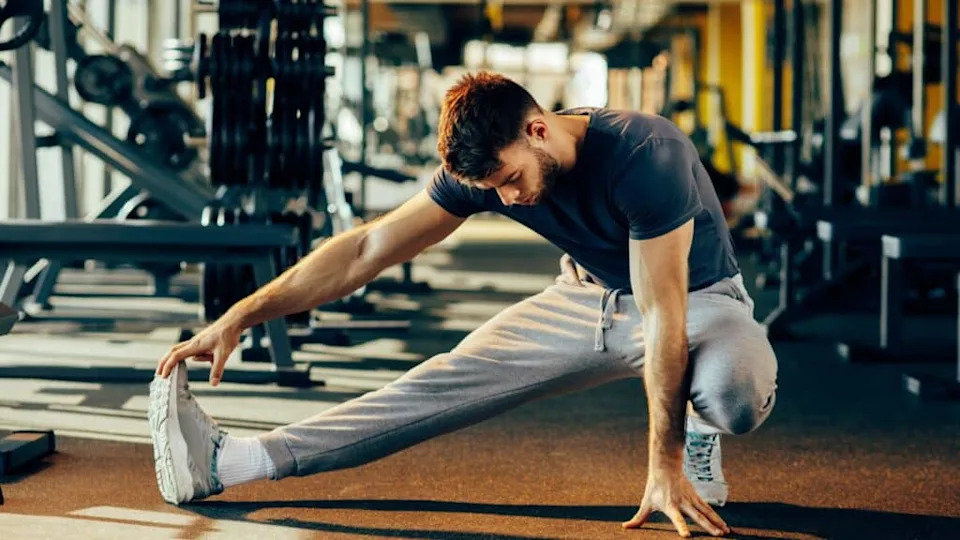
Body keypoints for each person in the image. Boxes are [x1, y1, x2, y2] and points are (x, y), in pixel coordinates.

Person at [151, 72, 778, 538]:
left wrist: (663, 463)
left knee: (735, 392)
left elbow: (663, 310)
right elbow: (366, 248)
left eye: (509, 181)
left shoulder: (645, 153)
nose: (505, 201)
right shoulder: (485, 168)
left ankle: (698, 432)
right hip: (584, 300)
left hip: (695, 302)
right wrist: (240, 314)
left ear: (538, 130)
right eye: (491, 192)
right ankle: (232, 460)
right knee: (438, 384)